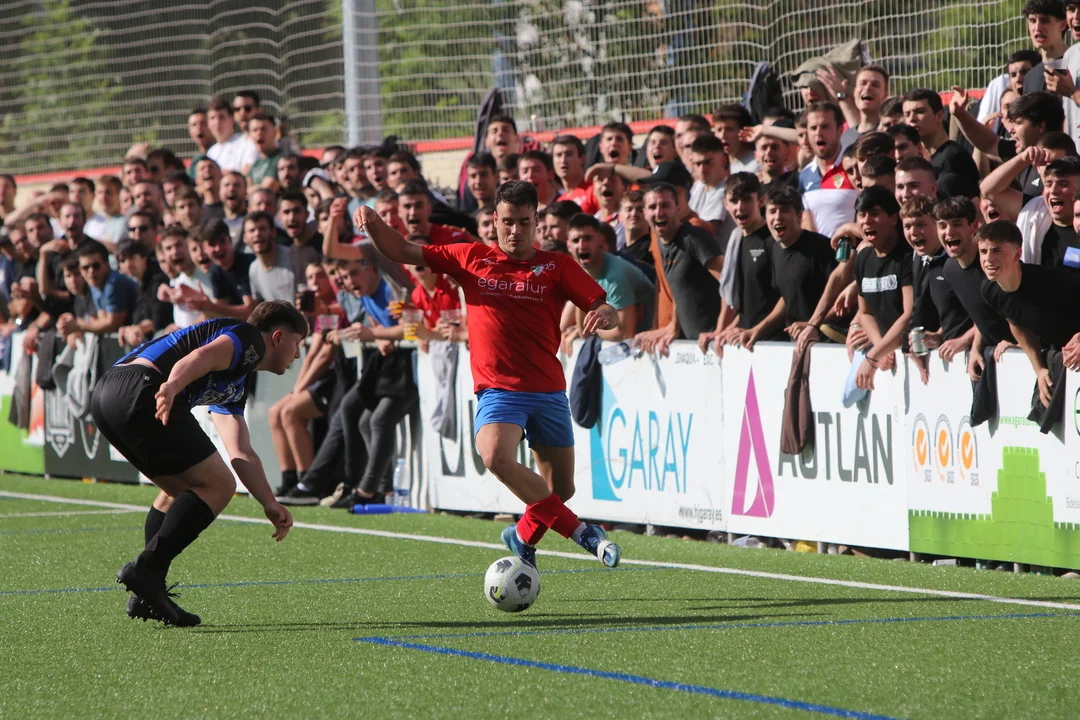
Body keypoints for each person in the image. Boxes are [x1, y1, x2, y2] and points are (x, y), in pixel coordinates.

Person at [354, 180, 622, 569]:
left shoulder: (558, 265)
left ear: (536, 222)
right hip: (499, 389)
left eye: (524, 222)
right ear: (494, 220)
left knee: (559, 491)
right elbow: (401, 250)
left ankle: (521, 535)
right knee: (495, 455)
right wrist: (373, 221)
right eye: (508, 222)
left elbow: (604, 306)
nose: (516, 231)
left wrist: (606, 314)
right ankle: (585, 534)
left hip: (548, 390)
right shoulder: (470, 256)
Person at [91, 301, 303, 626]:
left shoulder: (237, 380)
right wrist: (172, 386)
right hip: (144, 388)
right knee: (220, 485)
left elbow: (240, 450)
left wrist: (269, 502)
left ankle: (147, 592)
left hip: (108, 394)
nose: (298, 354)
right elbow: (200, 357)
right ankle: (147, 570)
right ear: (278, 337)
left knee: (180, 491)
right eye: (298, 343)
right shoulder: (249, 339)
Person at [979, 219, 1080, 407]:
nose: (988, 259)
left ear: (1018, 253)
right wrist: (1039, 369)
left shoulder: (1052, 281)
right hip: (1066, 358)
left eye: (997, 250)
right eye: (983, 251)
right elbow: (1016, 323)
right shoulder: (989, 290)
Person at [699, 173, 781, 353]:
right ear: (726, 204)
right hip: (747, 342)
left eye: (746, 199)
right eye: (734, 200)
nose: (740, 207)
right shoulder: (736, 239)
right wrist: (723, 331)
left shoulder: (774, 240)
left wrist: (756, 330)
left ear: (761, 201)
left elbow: (787, 297)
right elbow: (743, 306)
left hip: (776, 344)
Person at [849, 187, 914, 391]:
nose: (866, 221)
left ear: (894, 218)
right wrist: (881, 349)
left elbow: (909, 314)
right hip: (888, 353)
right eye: (862, 215)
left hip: (915, 353)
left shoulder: (908, 256)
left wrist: (873, 356)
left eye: (875, 214)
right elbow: (865, 312)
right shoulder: (862, 258)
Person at [565, 213, 654, 341]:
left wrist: (594, 329)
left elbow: (625, 333)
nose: (582, 245)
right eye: (575, 240)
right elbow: (584, 331)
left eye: (588, 238)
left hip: (650, 344)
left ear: (601, 241)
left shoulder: (616, 274)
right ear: (568, 246)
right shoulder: (579, 274)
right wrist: (581, 330)